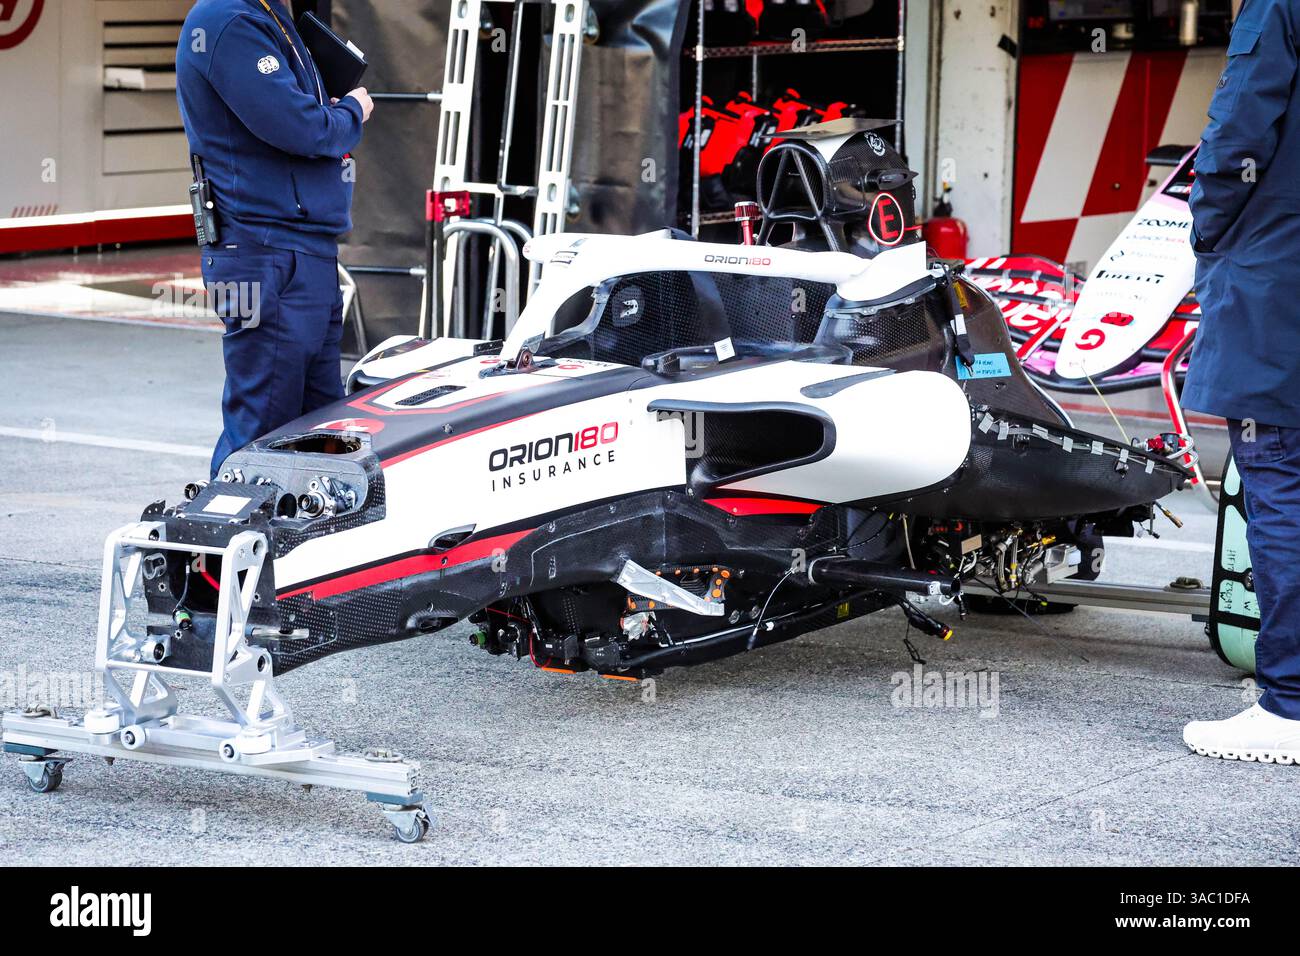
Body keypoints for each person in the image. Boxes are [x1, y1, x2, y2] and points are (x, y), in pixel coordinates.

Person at [175, 0, 374, 476]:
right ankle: (231, 536)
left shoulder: (267, 16)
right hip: (265, 252)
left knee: (319, 425)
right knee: (265, 426)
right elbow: (299, 127)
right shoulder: (228, 21)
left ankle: (303, 543)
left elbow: (297, 119)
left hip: (298, 249)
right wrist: (350, 112)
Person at [1181, 0, 1300, 761]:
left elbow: (1237, 131)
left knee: (1279, 469)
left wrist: (1209, 224)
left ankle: (1291, 705)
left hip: (1281, 267)